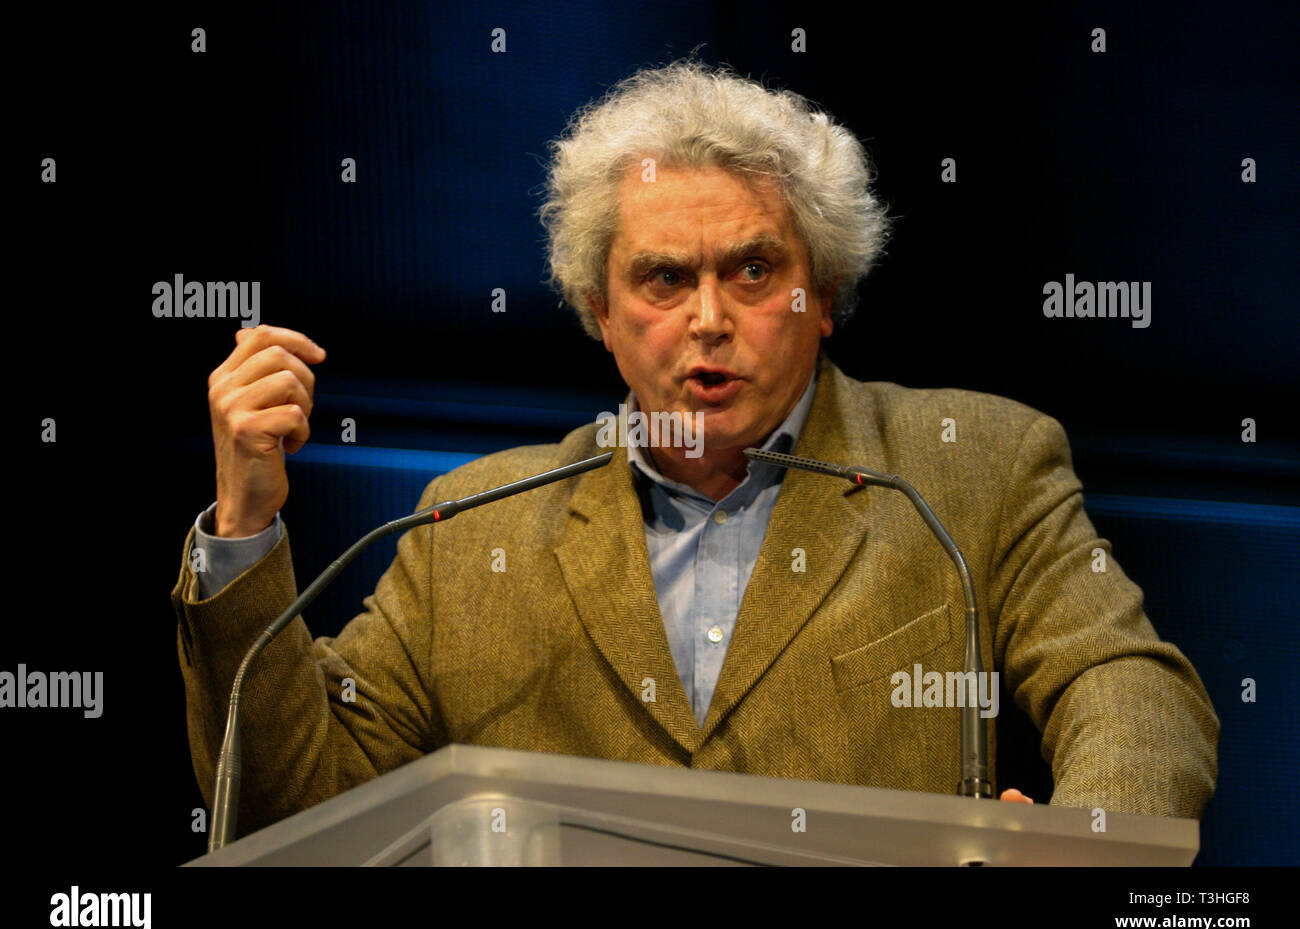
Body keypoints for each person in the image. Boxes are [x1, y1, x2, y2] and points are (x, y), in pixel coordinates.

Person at [171, 58, 1217, 838]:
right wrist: (247, 524)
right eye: (664, 279)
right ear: (599, 310)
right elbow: (288, 806)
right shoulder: (468, 526)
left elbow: (1130, 687)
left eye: (754, 272)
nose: (709, 317)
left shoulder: (972, 468)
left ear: (826, 295)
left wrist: (1089, 845)